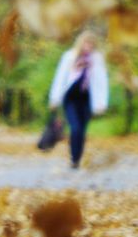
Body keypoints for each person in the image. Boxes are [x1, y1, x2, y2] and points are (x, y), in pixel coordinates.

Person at [46, 31, 109, 170]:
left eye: (91, 44)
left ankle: (77, 157)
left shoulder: (97, 59)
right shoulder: (70, 56)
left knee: (82, 130)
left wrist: (102, 103)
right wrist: (54, 98)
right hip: (71, 98)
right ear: (81, 43)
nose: (89, 46)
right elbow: (60, 77)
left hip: (87, 99)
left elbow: (101, 81)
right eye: (86, 43)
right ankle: (74, 158)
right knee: (75, 128)